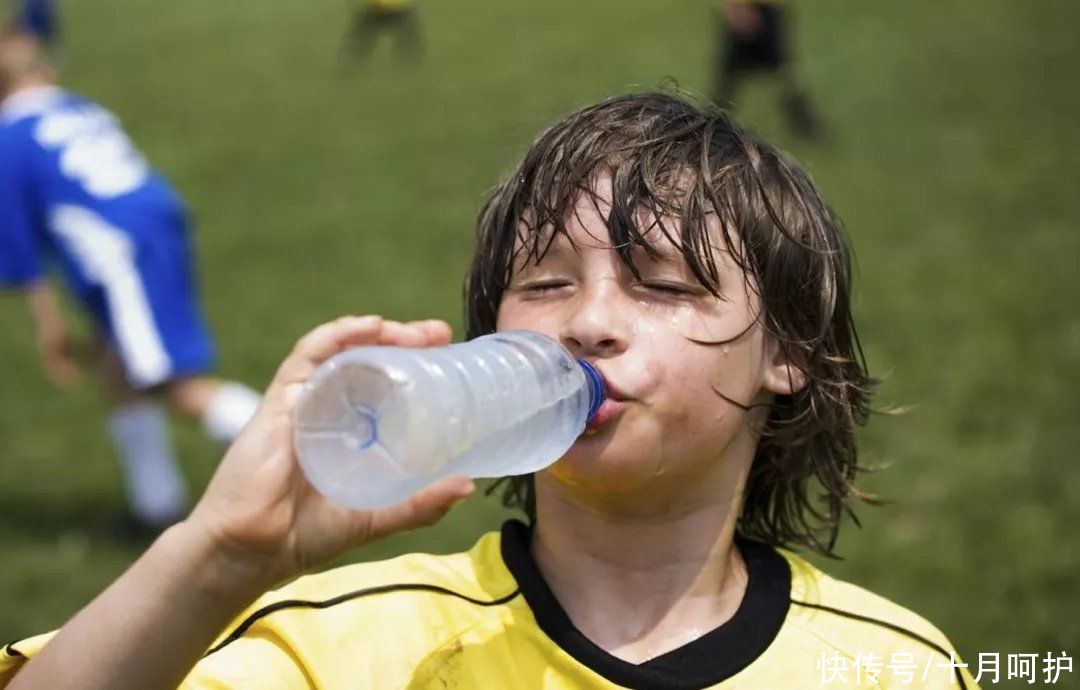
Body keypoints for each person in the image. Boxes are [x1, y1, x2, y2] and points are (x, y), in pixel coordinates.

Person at [0, 92, 979, 689]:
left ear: (788, 352)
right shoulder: (349, 648)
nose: (587, 321)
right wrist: (218, 557)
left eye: (665, 284)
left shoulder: (897, 666)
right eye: (546, 283)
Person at [0, 29, 261, 534]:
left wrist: (48, 328)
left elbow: (22, 253)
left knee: (170, 383)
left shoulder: (9, 139)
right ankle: (156, 506)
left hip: (120, 253)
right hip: (156, 224)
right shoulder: (78, 106)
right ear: (44, 72)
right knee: (117, 367)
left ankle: (312, 445)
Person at [714, 0, 824, 140]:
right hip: (743, 16)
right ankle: (712, 124)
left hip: (767, 13)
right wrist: (736, 10)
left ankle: (804, 125)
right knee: (728, 80)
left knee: (784, 76)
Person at [340, 0, 422, 65]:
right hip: (394, 9)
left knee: (362, 36)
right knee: (408, 35)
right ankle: (409, 60)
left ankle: (351, 61)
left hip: (377, 9)